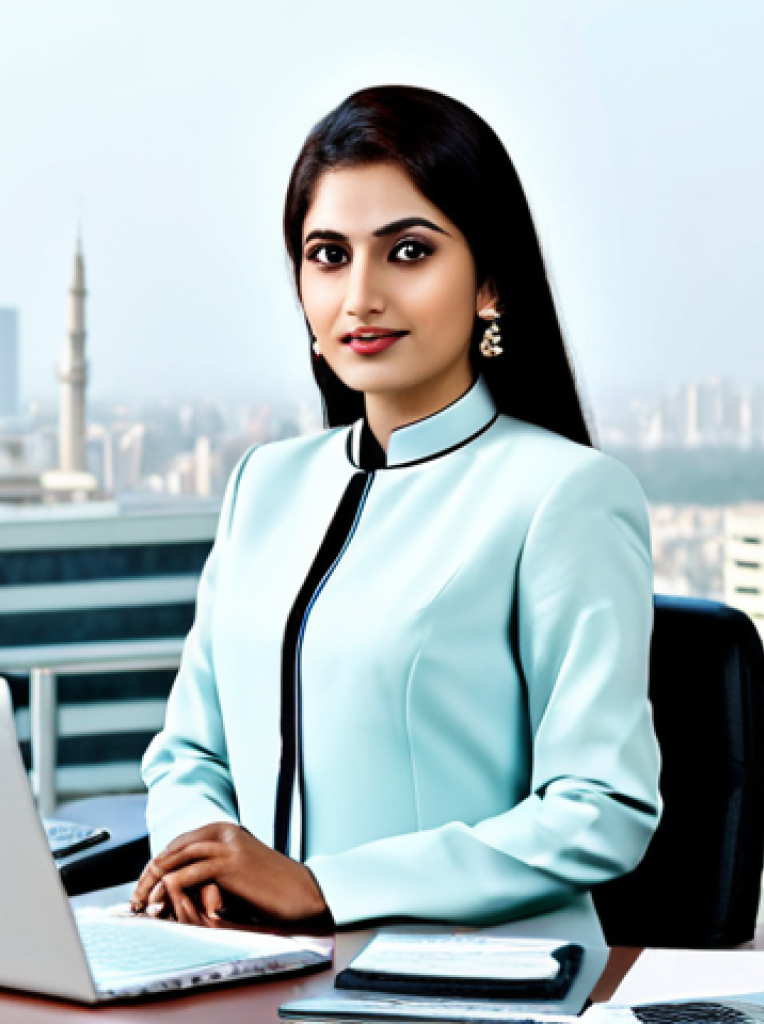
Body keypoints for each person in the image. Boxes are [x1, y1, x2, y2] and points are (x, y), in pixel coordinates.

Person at [130, 85, 660, 930]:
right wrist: (199, 850)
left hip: (464, 984)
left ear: (489, 283)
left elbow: (600, 809)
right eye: (328, 255)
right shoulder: (263, 484)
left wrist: (323, 886)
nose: (360, 297)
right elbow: (190, 749)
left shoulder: (562, 495)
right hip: (248, 963)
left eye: (407, 253)